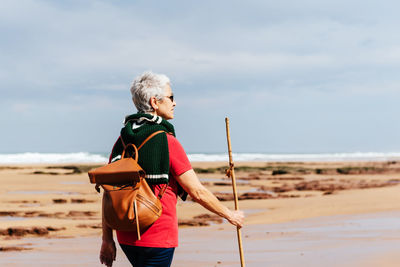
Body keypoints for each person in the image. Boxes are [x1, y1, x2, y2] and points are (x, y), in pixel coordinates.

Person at [99, 71, 244, 267]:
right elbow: (197, 191)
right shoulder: (166, 141)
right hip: (156, 235)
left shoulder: (122, 140)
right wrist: (229, 214)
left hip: (125, 235)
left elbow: (109, 193)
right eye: (171, 97)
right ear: (154, 102)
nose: (174, 103)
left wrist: (107, 239)